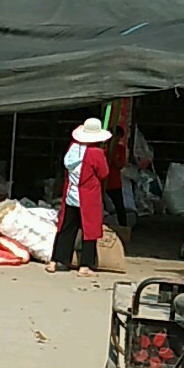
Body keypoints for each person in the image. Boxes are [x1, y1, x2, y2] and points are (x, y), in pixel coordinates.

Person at [47, 117, 110, 278]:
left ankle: (57, 260)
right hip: (88, 197)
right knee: (90, 232)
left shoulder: (73, 148)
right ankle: (85, 265)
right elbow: (104, 173)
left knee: (66, 228)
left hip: (71, 194)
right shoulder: (96, 153)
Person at [106, 124, 128, 227]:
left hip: (114, 183)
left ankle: (123, 226)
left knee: (119, 206)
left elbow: (121, 165)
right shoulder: (103, 147)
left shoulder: (120, 149)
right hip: (102, 181)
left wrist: (113, 157)